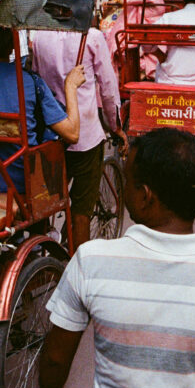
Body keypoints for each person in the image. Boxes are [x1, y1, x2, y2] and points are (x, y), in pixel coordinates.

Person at [39, 128, 195, 388]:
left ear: (145, 195)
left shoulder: (90, 262)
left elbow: (55, 361)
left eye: (127, 181)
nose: (122, 187)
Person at [0, 14, 84, 193]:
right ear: (12, 45)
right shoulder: (30, 82)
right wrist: (71, 86)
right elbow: (72, 134)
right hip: (24, 185)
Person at [31, 26, 123, 248]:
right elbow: (108, 88)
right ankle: (77, 266)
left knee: (44, 203)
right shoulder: (92, 37)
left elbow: (36, 78)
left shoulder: (39, 35)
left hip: (52, 133)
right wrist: (115, 126)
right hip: (84, 136)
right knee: (81, 210)